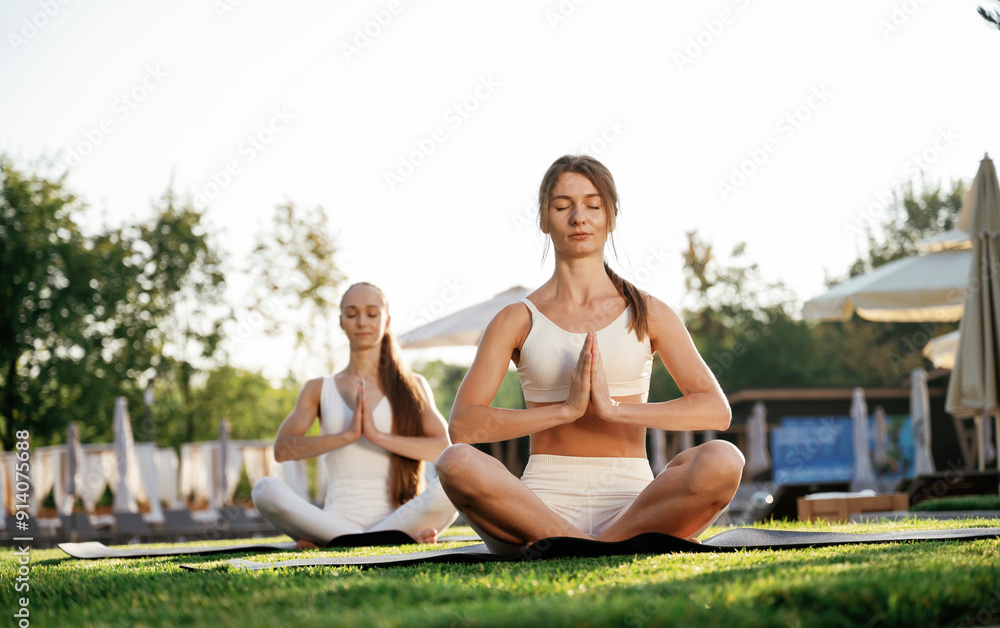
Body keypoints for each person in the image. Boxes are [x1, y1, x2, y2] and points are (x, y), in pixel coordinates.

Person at [435, 155, 745, 555]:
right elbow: (463, 427)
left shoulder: (647, 312)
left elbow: (714, 412)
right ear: (544, 219)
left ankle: (579, 546)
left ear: (610, 217)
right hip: (538, 505)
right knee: (456, 462)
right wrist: (565, 411)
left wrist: (614, 409)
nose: (578, 217)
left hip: (633, 503)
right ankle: (598, 546)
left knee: (724, 458)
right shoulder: (516, 318)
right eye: (562, 206)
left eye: (592, 205)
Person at [251, 282, 458, 548]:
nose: (362, 322)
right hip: (337, 519)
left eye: (372, 314)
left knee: (453, 487)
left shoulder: (413, 385)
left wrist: (377, 436)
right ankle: (390, 541)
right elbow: (283, 450)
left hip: (400, 517)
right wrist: (347, 435)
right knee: (264, 489)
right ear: (341, 322)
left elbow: (443, 449)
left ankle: (336, 542)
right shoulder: (318, 388)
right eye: (352, 314)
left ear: (387, 321)